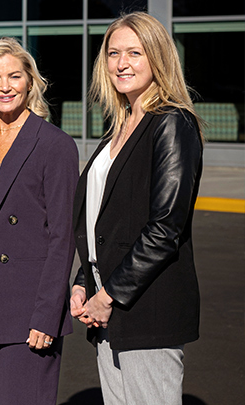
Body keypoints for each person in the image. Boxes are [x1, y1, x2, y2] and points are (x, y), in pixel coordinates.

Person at [70, 12, 203, 405]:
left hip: (146, 309)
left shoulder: (173, 123)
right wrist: (84, 280)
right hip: (109, 307)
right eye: (113, 53)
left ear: (158, 58)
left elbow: (165, 229)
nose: (121, 63)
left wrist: (107, 295)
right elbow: (105, 220)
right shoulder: (121, 125)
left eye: (134, 53)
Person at [0, 37, 79, 404]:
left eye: (14, 76)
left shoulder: (54, 145)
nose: (4, 87)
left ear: (30, 82)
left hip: (27, 313)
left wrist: (46, 314)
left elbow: (63, 237)